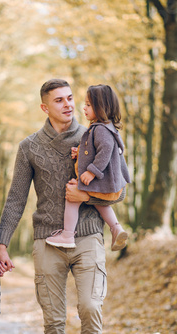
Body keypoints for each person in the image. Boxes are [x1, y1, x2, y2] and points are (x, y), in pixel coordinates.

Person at [0, 79, 111, 334]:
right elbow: (16, 199)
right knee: (53, 322)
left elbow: (118, 192)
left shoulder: (94, 136)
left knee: (91, 307)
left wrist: (87, 198)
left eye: (70, 98)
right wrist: (2, 244)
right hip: (47, 240)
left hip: (88, 236)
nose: (68, 104)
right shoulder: (29, 147)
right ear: (44, 108)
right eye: (59, 100)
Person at [46, 84, 131, 250]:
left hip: (102, 180)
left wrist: (92, 172)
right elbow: (98, 150)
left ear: (101, 107)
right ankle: (115, 228)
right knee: (101, 203)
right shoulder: (108, 128)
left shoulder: (100, 129)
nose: (84, 108)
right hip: (108, 185)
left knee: (72, 194)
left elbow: (105, 150)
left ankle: (68, 235)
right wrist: (80, 152)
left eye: (88, 105)